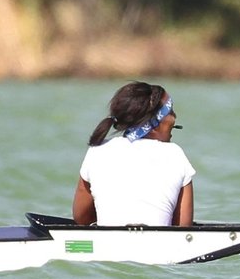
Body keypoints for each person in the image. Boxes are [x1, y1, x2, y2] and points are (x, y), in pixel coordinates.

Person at [73, 82, 196, 227]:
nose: (174, 116)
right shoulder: (175, 154)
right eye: (170, 111)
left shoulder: (97, 150)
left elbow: (81, 217)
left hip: (106, 246)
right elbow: (183, 227)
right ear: (154, 123)